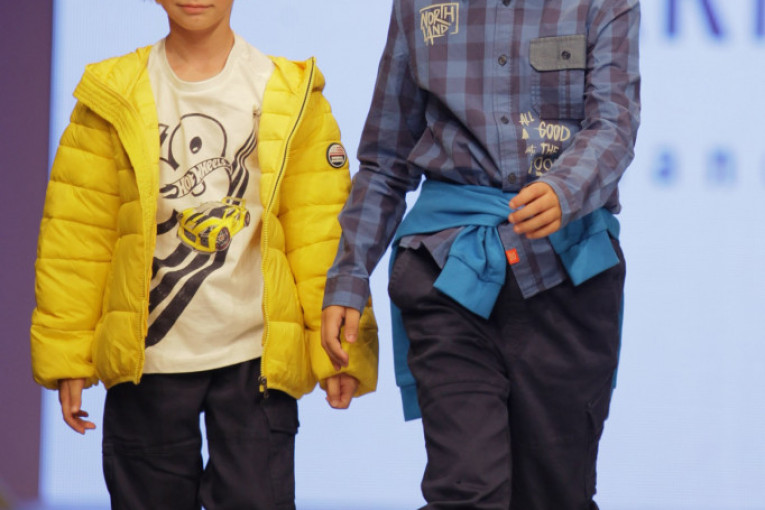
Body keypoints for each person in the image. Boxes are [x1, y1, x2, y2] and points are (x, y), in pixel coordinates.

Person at [30, 1, 378, 509]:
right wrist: (68, 354)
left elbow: (319, 231)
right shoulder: (112, 93)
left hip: (255, 359)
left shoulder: (286, 90)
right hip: (147, 357)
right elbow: (78, 236)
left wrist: (341, 353)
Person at [321, 0, 640, 508]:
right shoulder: (418, 6)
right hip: (449, 270)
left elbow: (615, 124)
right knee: (465, 491)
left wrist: (564, 189)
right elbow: (385, 161)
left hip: (567, 274)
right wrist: (348, 278)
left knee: (556, 494)